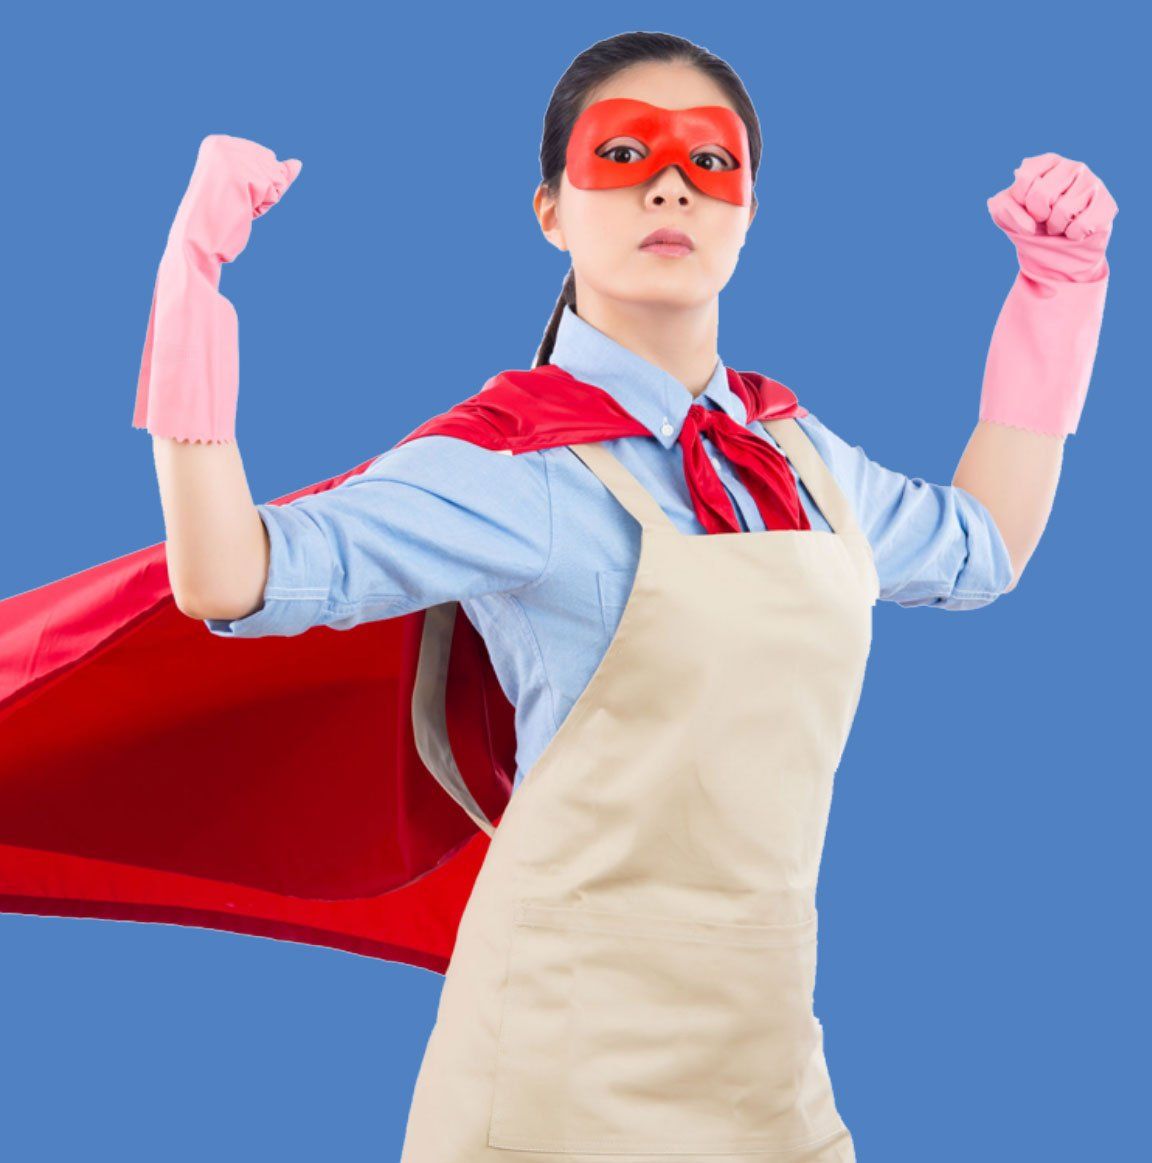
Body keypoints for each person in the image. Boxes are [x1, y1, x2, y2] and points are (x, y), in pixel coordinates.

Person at [0, 30, 1115, 1162]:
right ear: (551, 211)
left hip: (768, 1059)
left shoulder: (801, 459)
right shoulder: (513, 465)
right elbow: (230, 576)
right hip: (560, 1062)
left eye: (710, 161)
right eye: (623, 154)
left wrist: (1058, 295)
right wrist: (190, 294)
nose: (671, 186)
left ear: (750, 213)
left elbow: (982, 548)